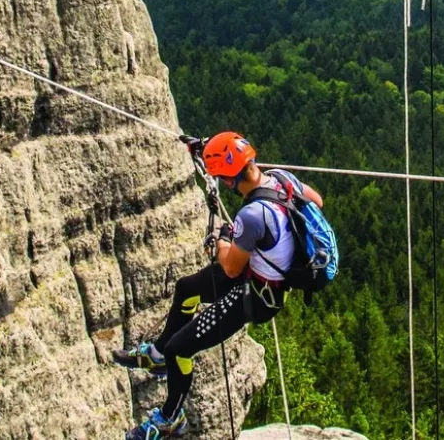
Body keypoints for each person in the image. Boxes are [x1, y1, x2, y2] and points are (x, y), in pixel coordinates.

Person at [116, 131, 324, 440]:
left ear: (229, 178)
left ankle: (170, 417)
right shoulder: (281, 178)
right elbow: (316, 201)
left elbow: (229, 266)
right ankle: (157, 355)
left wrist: (222, 241)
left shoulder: (253, 215)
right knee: (187, 288)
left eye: (224, 179)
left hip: (253, 296)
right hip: (260, 275)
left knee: (180, 349)